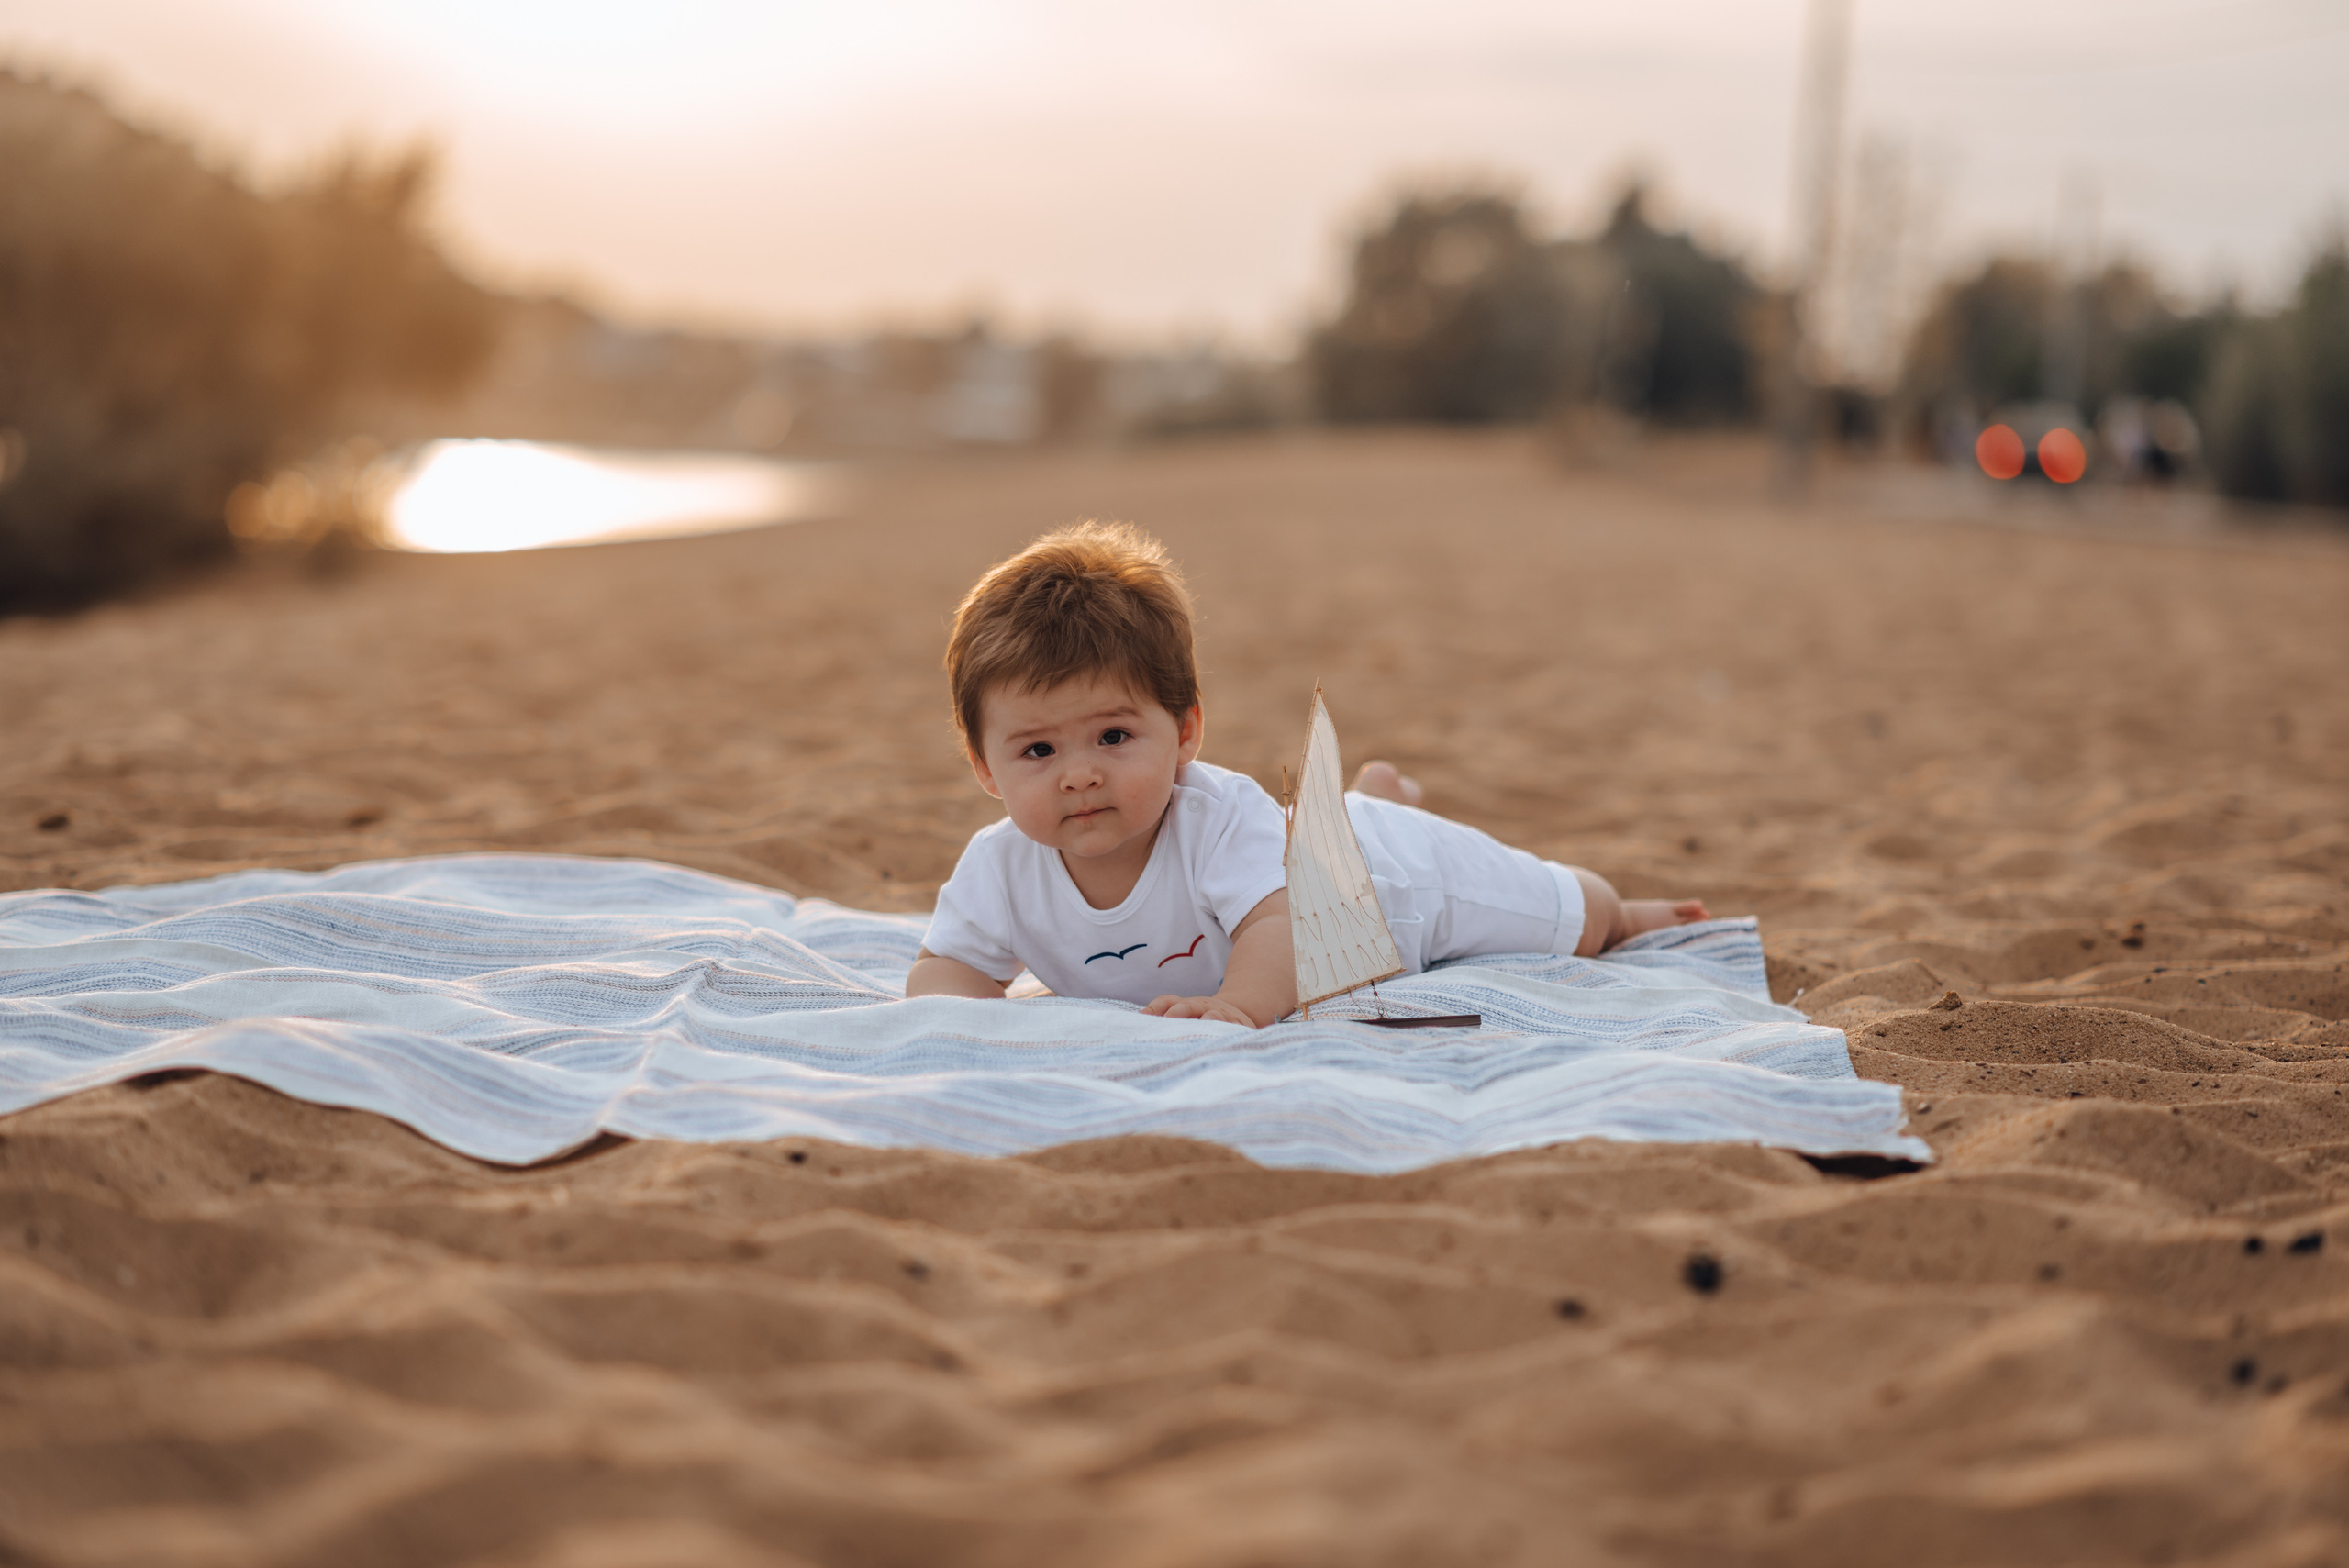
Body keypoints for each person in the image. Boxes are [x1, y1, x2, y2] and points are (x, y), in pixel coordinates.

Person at [905, 522, 1708, 1027]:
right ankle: (1367, 795)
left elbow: (1280, 926)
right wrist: (963, 1019)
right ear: (984, 766)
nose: (1079, 775)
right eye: (1038, 751)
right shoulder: (999, 866)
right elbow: (948, 967)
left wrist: (1237, 1006)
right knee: (1318, 830)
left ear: (1185, 732)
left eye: (1113, 736)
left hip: (1382, 886)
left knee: (1570, 917)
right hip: (1300, 849)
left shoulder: (1217, 819)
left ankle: (1623, 909)